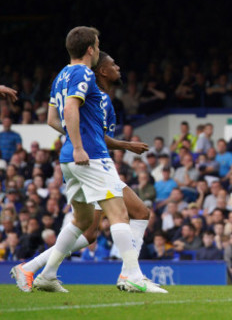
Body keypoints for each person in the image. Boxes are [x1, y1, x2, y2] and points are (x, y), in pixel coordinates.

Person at [12, 51, 165, 293]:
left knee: (89, 229)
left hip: (80, 160)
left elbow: (87, 131)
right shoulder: (96, 94)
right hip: (90, 160)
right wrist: (95, 144)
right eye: (113, 64)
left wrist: (118, 144)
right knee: (135, 212)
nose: (118, 67)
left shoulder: (100, 97)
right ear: (102, 70)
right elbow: (88, 131)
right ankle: (131, 273)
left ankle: (35, 269)